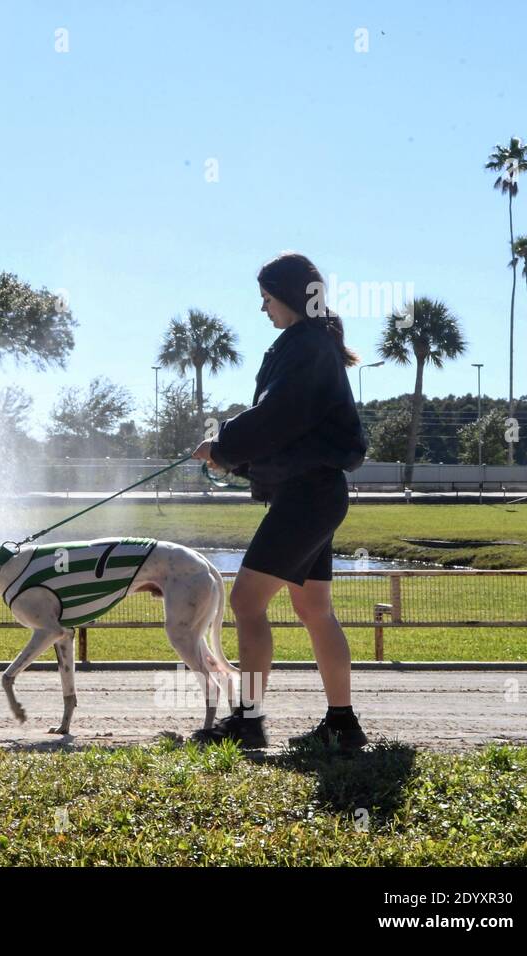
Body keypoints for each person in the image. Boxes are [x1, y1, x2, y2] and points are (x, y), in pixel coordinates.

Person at [191, 251, 370, 750]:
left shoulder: (304, 346)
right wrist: (233, 457)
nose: (263, 308)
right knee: (315, 608)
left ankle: (249, 721)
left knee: (247, 600)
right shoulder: (309, 345)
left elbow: (277, 417)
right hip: (316, 493)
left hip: (308, 497)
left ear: (288, 297)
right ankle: (343, 724)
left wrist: (224, 447)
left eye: (266, 299)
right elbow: (289, 432)